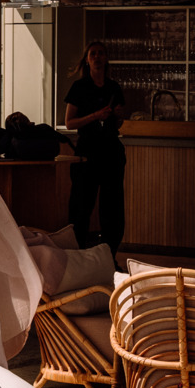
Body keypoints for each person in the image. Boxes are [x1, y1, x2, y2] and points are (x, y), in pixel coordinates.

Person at [62, 44, 129, 252]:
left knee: (112, 207)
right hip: (87, 152)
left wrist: (117, 116)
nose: (97, 57)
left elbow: (118, 124)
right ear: (87, 60)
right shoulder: (79, 87)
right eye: (93, 54)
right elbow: (69, 123)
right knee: (81, 206)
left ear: (106, 58)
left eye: (101, 53)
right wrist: (95, 116)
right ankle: (77, 254)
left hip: (111, 151)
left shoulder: (113, 87)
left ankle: (109, 255)